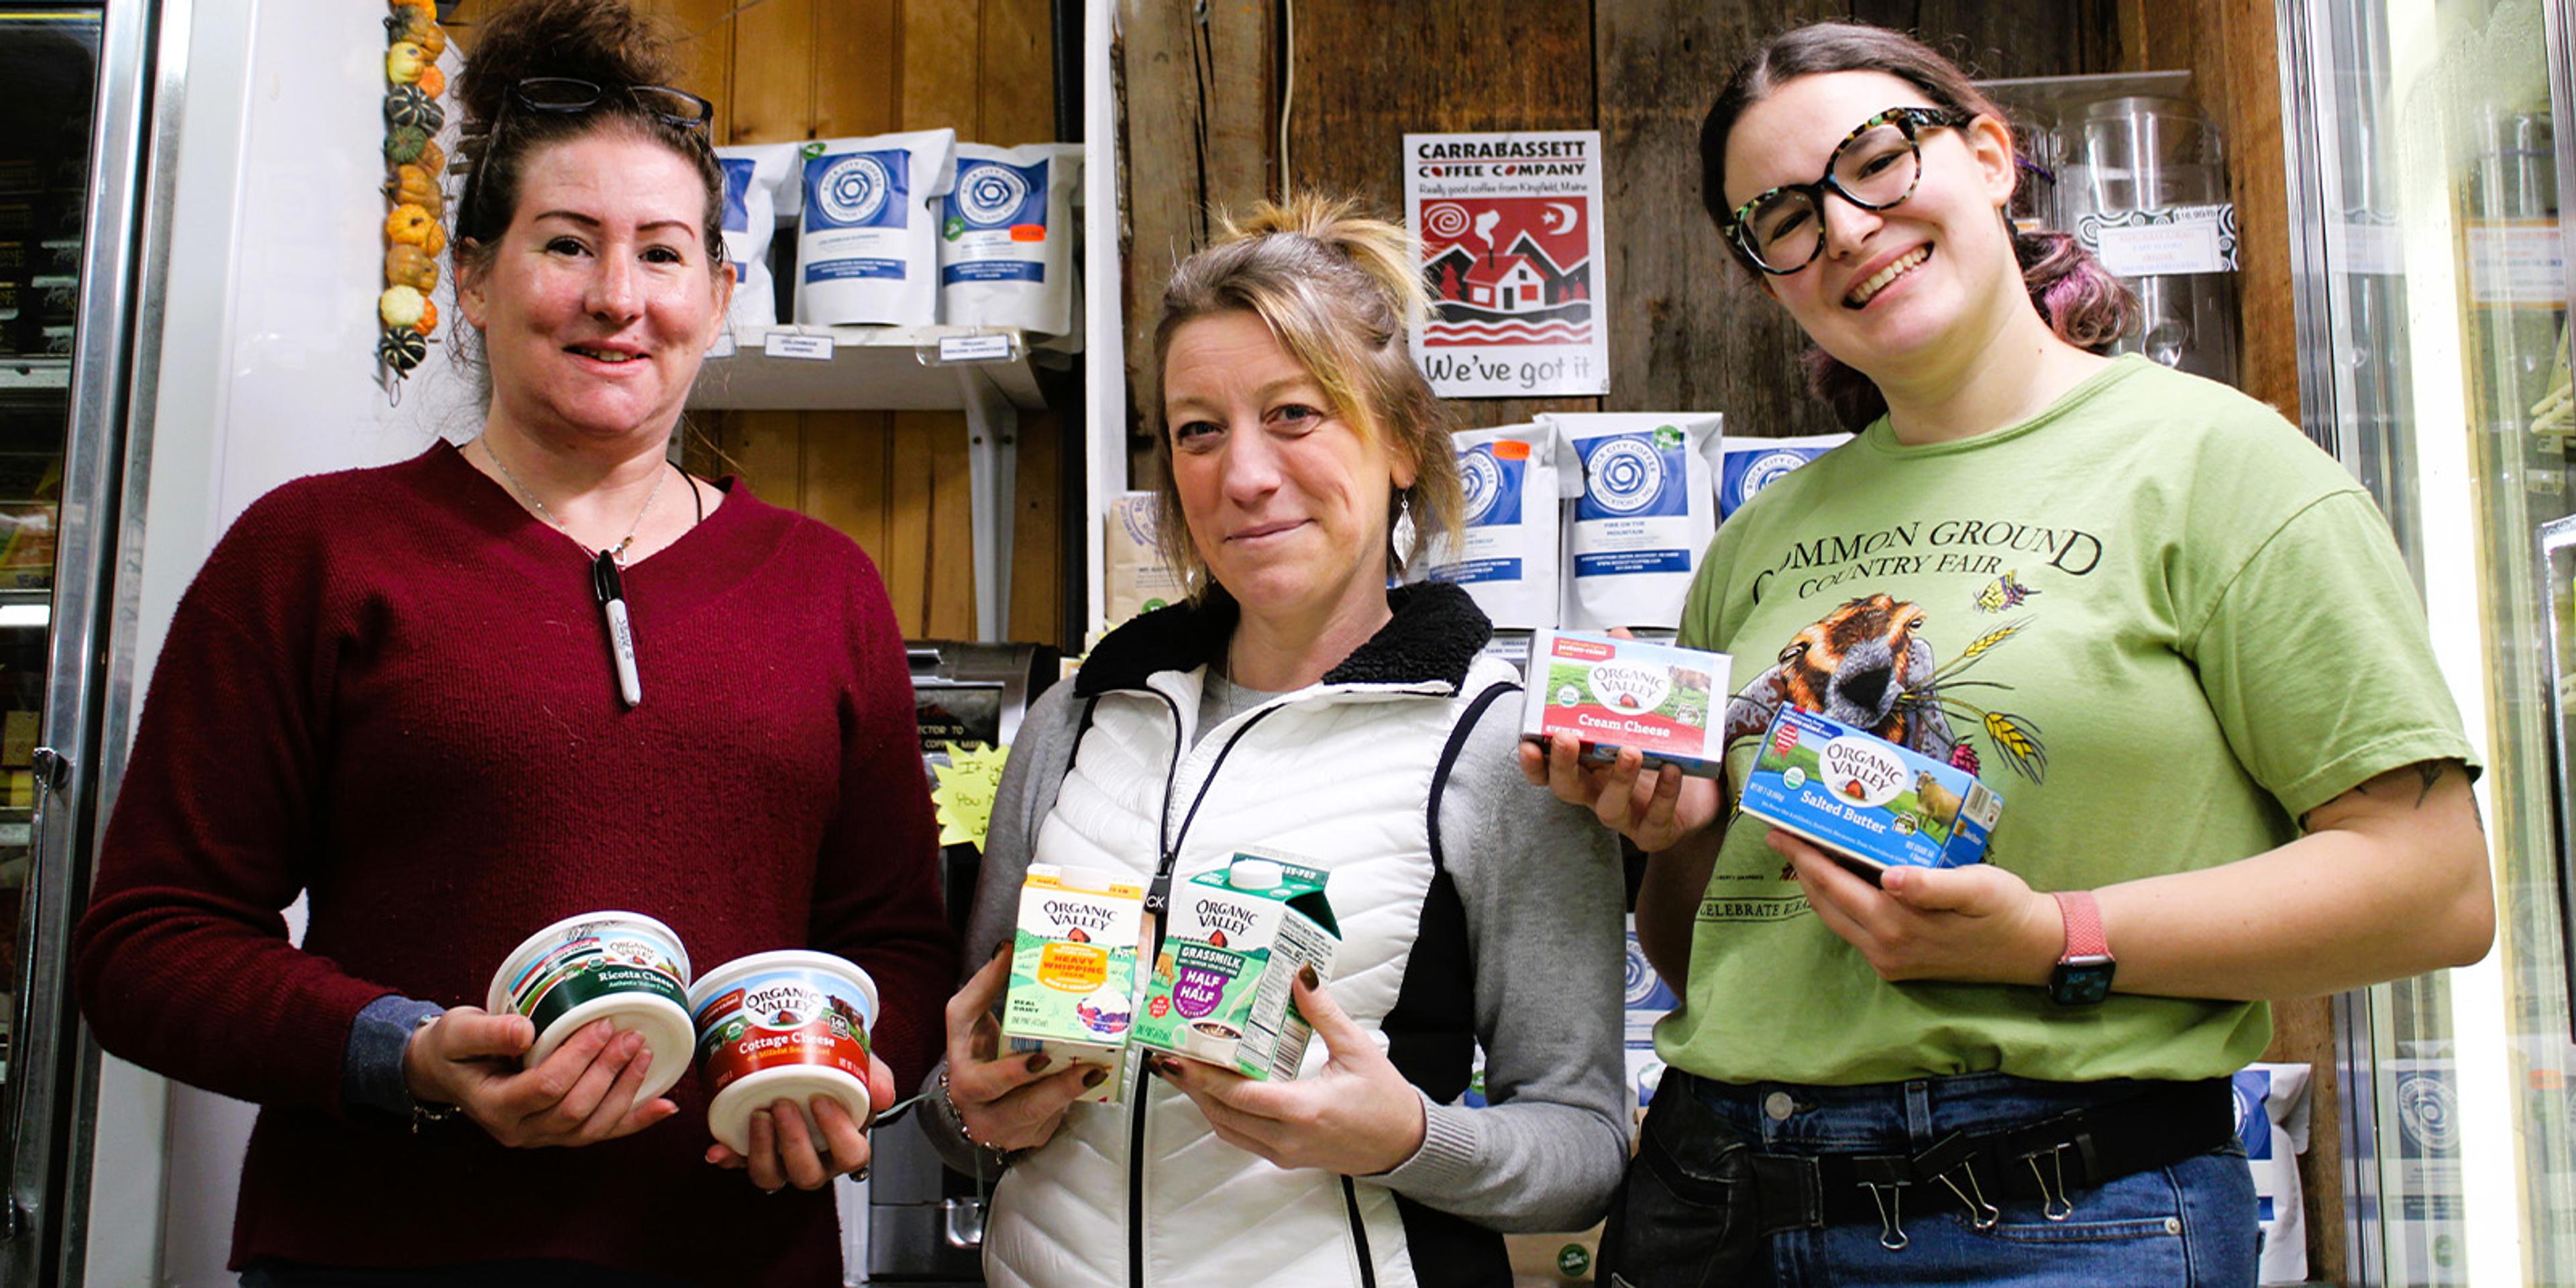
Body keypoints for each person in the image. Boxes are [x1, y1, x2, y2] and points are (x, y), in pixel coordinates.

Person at [1527, 21, 2495, 1286]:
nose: (1847, 229)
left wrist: (2047, 934)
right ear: (1767, 271)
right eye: (1784, 220)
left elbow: (2434, 888)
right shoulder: (1755, 544)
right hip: (1717, 1197)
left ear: (1987, 154)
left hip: (2056, 1210)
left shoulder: (2222, 466)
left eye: (1875, 161)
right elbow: (1720, 947)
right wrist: (1675, 831)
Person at [70, 2, 955, 1283]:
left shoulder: (823, 586)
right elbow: (149, 941)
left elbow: (898, 940)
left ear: (716, 295)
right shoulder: (317, 553)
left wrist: (853, 1071)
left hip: (731, 1256)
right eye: (565, 245)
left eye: (661, 255)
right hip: (379, 1250)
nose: (617, 299)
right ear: (474, 279)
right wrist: (405, 1054)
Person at [920, 195, 1629, 1287]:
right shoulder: (1076, 720)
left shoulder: (1494, 749)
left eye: (1294, 414)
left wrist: (1406, 1140)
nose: (1242, 475)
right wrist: (965, 1110)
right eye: (1199, 429)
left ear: (1399, 442)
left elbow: (1583, 1148)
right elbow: (956, 1092)